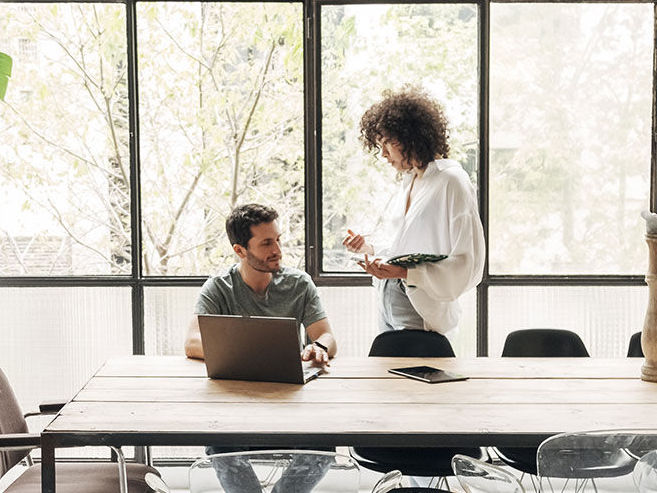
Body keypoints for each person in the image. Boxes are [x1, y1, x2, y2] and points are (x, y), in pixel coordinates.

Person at [185, 203, 336, 493]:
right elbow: (192, 342)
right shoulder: (219, 287)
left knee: (323, 445)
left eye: (278, 239)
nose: (277, 249)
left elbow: (327, 335)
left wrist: (318, 346)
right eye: (267, 242)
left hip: (293, 404)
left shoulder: (299, 284)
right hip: (236, 407)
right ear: (240, 250)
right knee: (219, 442)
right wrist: (252, 352)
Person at [343, 85, 486, 335]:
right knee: (387, 373)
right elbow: (409, 247)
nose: (384, 155)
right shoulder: (411, 181)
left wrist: (404, 272)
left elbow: (468, 261)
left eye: (387, 144)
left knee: (418, 371)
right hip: (388, 297)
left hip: (420, 305)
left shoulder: (451, 181)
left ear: (412, 137)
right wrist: (370, 250)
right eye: (379, 146)